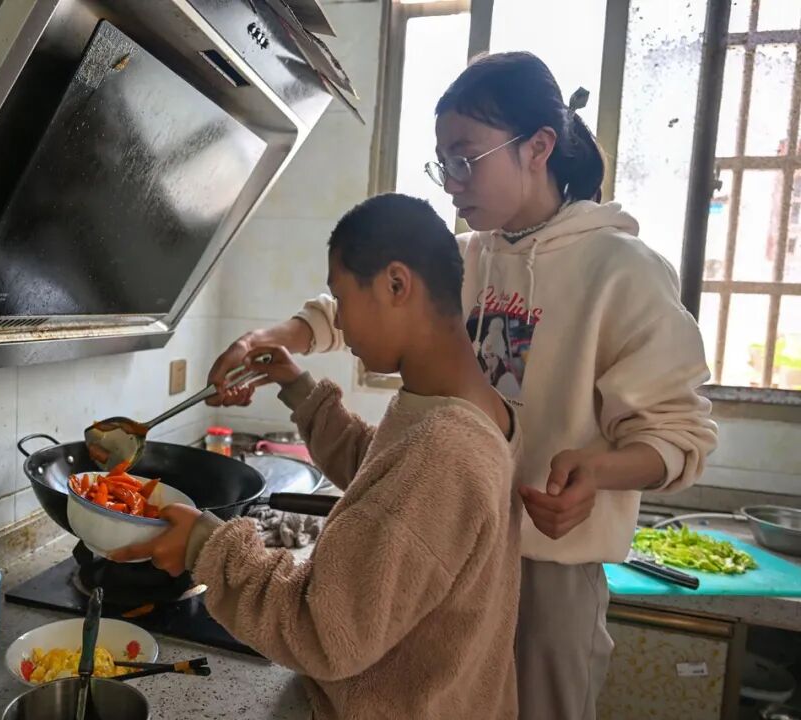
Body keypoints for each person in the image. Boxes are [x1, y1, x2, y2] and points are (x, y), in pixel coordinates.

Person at [205, 52, 718, 720]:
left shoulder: (622, 270)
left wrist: (600, 472)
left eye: (466, 158)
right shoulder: (472, 255)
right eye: (442, 161)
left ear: (538, 147)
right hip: (453, 565)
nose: (451, 183)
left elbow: (681, 435)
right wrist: (273, 340)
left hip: (548, 571)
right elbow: (354, 306)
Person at [112, 194, 523, 720]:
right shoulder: (472, 408)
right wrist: (298, 388)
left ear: (396, 284)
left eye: (342, 298)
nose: (341, 324)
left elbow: (325, 632)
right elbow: (383, 475)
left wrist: (204, 545)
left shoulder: (445, 449)